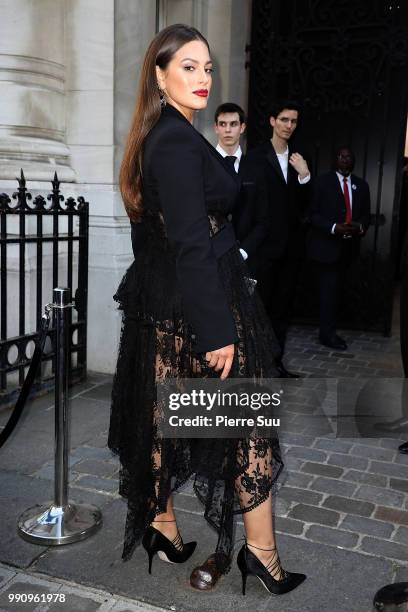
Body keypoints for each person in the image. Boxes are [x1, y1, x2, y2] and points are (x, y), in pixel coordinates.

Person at [108, 23, 306, 596]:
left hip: (179, 300)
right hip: (203, 304)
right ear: (159, 74)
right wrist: (215, 329)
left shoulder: (169, 134)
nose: (202, 77)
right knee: (245, 422)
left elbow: (161, 237)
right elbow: (191, 241)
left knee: (165, 416)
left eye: (208, 67)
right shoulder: (172, 139)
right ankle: (260, 556)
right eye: (188, 66)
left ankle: (163, 528)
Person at [243, 101, 311, 377]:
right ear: (272, 121)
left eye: (293, 121)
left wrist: (305, 175)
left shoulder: (299, 159)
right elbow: (247, 205)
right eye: (284, 119)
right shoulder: (255, 158)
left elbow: (304, 207)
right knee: (259, 310)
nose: (288, 126)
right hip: (262, 250)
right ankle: (254, 365)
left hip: (289, 251)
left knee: (282, 312)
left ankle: (275, 364)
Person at [307, 146, 371, 350]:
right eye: (341, 156)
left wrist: (359, 226)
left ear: (353, 161)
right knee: (328, 294)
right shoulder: (321, 182)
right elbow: (312, 214)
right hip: (326, 249)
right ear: (335, 160)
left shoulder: (362, 185)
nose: (345, 160)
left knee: (338, 293)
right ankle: (327, 335)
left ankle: (330, 330)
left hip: (349, 251)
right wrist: (334, 227)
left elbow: (366, 216)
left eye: (349, 157)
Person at [213, 102, 269, 276]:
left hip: (247, 260)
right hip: (210, 259)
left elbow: (264, 220)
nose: (228, 130)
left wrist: (243, 252)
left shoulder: (257, 169)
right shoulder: (204, 164)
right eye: (223, 124)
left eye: (233, 124)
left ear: (242, 127)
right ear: (216, 128)